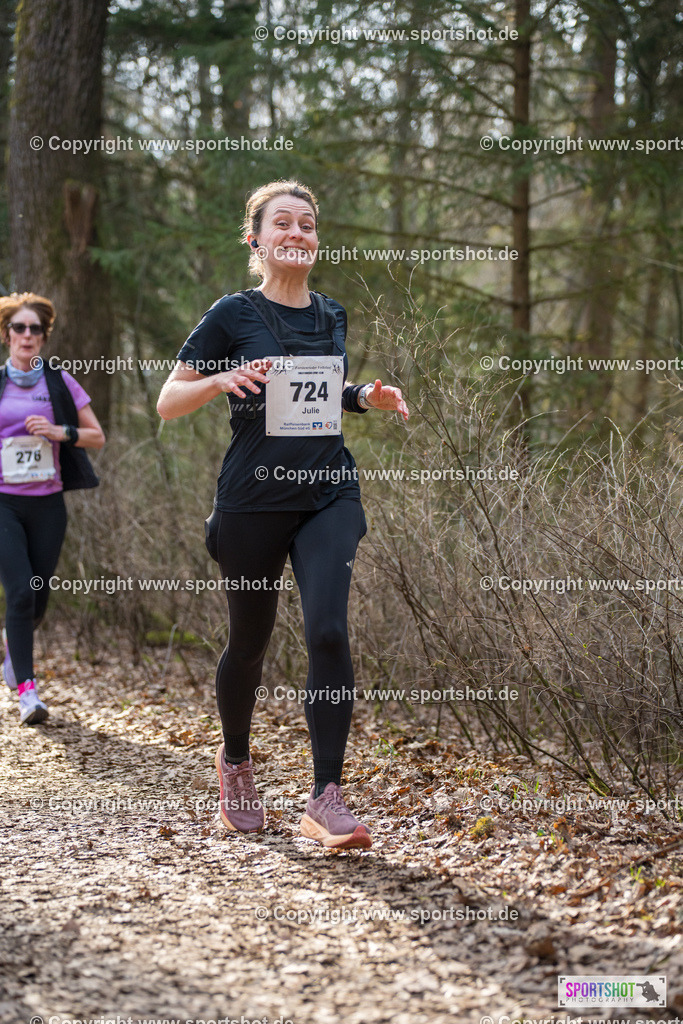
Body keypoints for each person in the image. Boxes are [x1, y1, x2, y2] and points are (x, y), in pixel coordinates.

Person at [157, 181, 408, 849]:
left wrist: (363, 395)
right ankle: (235, 763)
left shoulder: (331, 315)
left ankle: (326, 796)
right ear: (256, 240)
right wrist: (215, 381)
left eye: (307, 224)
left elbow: (319, 398)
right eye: (283, 224)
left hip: (327, 491)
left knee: (327, 629)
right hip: (251, 500)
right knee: (249, 644)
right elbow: (168, 401)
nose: (297, 233)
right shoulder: (231, 315)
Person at [0, 292, 105, 724]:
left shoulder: (59, 382)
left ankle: (13, 642)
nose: (28, 335)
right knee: (21, 591)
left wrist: (60, 431)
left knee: (37, 597)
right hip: (4, 503)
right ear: (7, 335)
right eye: (19, 328)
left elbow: (95, 436)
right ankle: (28, 694)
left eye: (35, 329)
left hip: (48, 505)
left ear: (44, 337)